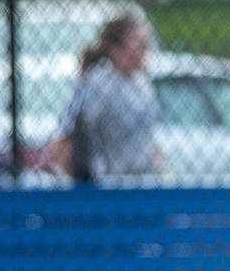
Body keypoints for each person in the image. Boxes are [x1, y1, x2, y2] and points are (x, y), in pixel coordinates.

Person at [47, 14, 162, 180]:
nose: (144, 48)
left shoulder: (143, 84)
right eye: (137, 41)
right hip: (108, 181)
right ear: (114, 48)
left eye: (145, 42)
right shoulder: (100, 82)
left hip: (143, 177)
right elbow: (69, 133)